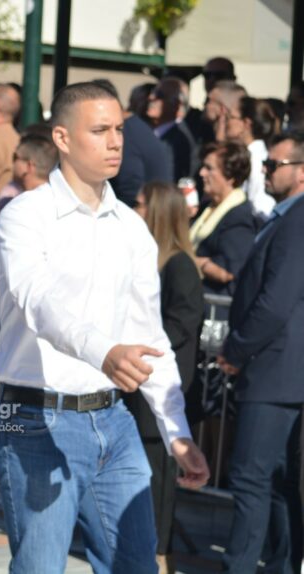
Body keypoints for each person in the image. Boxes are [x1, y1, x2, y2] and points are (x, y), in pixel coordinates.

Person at [0, 82, 209, 573]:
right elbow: (37, 301)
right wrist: (103, 351)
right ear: (63, 138)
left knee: (137, 566)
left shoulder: (131, 228)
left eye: (119, 130)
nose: (115, 142)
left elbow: (150, 336)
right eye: (100, 130)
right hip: (35, 417)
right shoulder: (25, 216)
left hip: (114, 418)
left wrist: (176, 431)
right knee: (40, 568)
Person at [216, 132, 304, 574]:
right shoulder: (285, 217)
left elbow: (275, 302)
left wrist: (235, 349)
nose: (264, 171)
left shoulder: (297, 220)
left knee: (252, 478)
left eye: (274, 164)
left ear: (301, 171)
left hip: (274, 370)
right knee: (276, 481)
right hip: (280, 370)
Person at [130, 181, 205, 574]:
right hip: (137, 385)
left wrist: (138, 343)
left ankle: (160, 557)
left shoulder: (179, 267)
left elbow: (181, 325)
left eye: (141, 204)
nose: (135, 209)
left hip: (161, 388)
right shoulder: (150, 261)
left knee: (158, 478)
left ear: (159, 211)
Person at [189, 142, 258, 297]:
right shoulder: (206, 207)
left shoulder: (239, 218)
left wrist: (185, 260)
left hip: (213, 303)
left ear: (230, 177)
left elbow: (226, 271)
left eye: (209, 168)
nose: (201, 173)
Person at [109, 82, 174, 207]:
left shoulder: (128, 132)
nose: (150, 98)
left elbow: (129, 188)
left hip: (145, 212)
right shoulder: (136, 127)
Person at [226, 96, 280, 219]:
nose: (226, 122)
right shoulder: (250, 155)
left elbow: (257, 204)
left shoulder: (255, 159)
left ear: (246, 124)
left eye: (231, 117)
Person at [0, 132, 57, 225]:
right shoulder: (61, 200)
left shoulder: (15, 208)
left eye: (15, 157)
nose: (12, 163)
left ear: (29, 166)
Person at [146, 78, 198, 181]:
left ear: (177, 105)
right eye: (153, 92)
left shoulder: (178, 141)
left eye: (159, 95)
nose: (151, 97)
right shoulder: (154, 132)